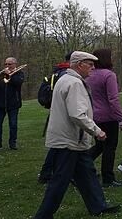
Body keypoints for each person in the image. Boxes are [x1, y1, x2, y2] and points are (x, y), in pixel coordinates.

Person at [34, 51, 120, 218]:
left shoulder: (65, 79)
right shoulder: (74, 84)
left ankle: (98, 206)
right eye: (90, 64)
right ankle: (43, 215)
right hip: (70, 139)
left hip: (73, 139)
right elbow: (78, 114)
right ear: (80, 65)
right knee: (60, 180)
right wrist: (97, 131)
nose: (93, 68)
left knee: (87, 174)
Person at [86, 49, 122, 188]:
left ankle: (80, 166)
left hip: (94, 115)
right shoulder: (109, 75)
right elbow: (113, 99)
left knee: (99, 146)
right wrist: (121, 118)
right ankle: (108, 178)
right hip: (108, 117)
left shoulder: (89, 75)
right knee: (109, 147)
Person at [38, 55, 71, 184]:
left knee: (60, 145)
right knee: (60, 145)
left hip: (55, 110)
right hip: (62, 112)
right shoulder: (65, 74)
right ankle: (47, 173)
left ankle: (49, 173)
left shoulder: (57, 72)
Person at [0, 57, 25, 152]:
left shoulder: (19, 73)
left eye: (9, 64)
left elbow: (17, 83)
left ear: (15, 64)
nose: (7, 66)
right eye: (6, 64)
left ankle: (12, 143)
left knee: (13, 124)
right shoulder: (1, 75)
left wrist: (9, 75)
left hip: (13, 104)